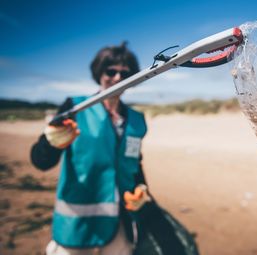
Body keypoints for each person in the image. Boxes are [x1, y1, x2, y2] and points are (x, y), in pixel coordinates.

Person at [30, 42, 198, 255]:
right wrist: (50, 141)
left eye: (124, 74)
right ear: (100, 73)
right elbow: (40, 161)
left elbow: (134, 165)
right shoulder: (75, 108)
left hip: (121, 224)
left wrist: (143, 195)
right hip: (76, 226)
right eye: (111, 71)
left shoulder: (136, 120)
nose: (117, 78)